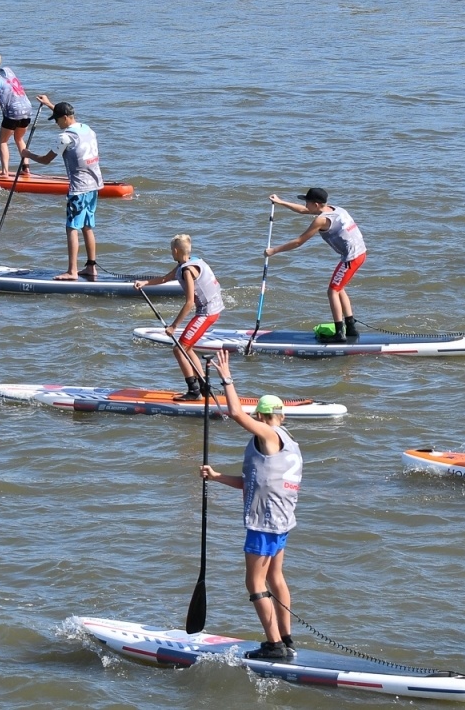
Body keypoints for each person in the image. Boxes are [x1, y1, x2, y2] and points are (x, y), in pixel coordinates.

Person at [200, 349, 301, 662]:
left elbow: (235, 414)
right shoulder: (287, 439)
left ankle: (275, 647)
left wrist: (226, 379)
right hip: (283, 522)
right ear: (281, 414)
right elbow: (254, 482)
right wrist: (217, 477)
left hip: (264, 523)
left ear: (261, 416)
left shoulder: (268, 434)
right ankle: (286, 638)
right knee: (276, 579)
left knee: (254, 582)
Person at [265, 188, 366, 344]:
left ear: (317, 204)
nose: (305, 205)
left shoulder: (321, 220)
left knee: (332, 291)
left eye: (307, 202)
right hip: (360, 253)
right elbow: (303, 210)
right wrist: (281, 202)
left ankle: (339, 333)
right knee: (339, 289)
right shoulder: (336, 209)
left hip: (351, 258)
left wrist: (273, 251)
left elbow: (299, 241)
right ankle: (351, 328)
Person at [21, 95, 102, 281]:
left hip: (79, 189)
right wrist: (50, 105)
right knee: (87, 227)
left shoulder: (65, 137)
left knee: (71, 228)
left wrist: (27, 154)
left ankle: (72, 271)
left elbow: (45, 160)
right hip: (95, 185)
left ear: (65, 118)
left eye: (56, 119)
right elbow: (65, 116)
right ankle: (91, 268)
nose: (56, 123)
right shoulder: (87, 129)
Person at [134, 235, 224, 399]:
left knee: (179, 349)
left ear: (175, 251)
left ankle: (194, 391)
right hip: (213, 309)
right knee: (186, 348)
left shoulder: (187, 270)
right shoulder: (191, 261)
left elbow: (189, 302)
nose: (171, 253)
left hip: (207, 312)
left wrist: (174, 326)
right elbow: (164, 279)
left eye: (171, 250)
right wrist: (144, 283)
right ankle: (204, 385)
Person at [0, 54, 32, 178]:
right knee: (19, 139)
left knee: (3, 141)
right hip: (27, 109)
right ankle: (26, 169)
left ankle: (5, 172)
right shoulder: (8, 70)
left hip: (13, 112)